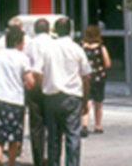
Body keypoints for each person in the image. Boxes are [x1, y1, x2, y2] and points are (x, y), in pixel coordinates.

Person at [34, 17, 91, 166]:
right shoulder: (77, 49)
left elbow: (37, 73)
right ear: (70, 30)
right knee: (73, 136)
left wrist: (44, 87)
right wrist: (85, 99)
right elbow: (85, 77)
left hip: (51, 96)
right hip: (72, 96)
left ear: (55, 31)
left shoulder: (47, 48)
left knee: (53, 136)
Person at [0, 27, 35, 166]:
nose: (24, 45)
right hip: (15, 100)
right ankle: (11, 162)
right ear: (17, 43)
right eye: (23, 42)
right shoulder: (23, 58)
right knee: (14, 136)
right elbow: (30, 81)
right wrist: (26, 84)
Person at [24, 18, 53, 166]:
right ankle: (53, 158)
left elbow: (26, 64)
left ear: (35, 30)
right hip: (50, 82)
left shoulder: (29, 44)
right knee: (53, 123)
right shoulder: (53, 43)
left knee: (36, 124)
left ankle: (38, 159)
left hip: (34, 84)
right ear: (49, 29)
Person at [80, 24, 111, 136]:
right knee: (98, 102)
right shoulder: (101, 47)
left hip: (86, 78)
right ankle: (97, 125)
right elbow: (107, 63)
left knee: (86, 101)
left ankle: (84, 124)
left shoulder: (81, 47)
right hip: (99, 78)